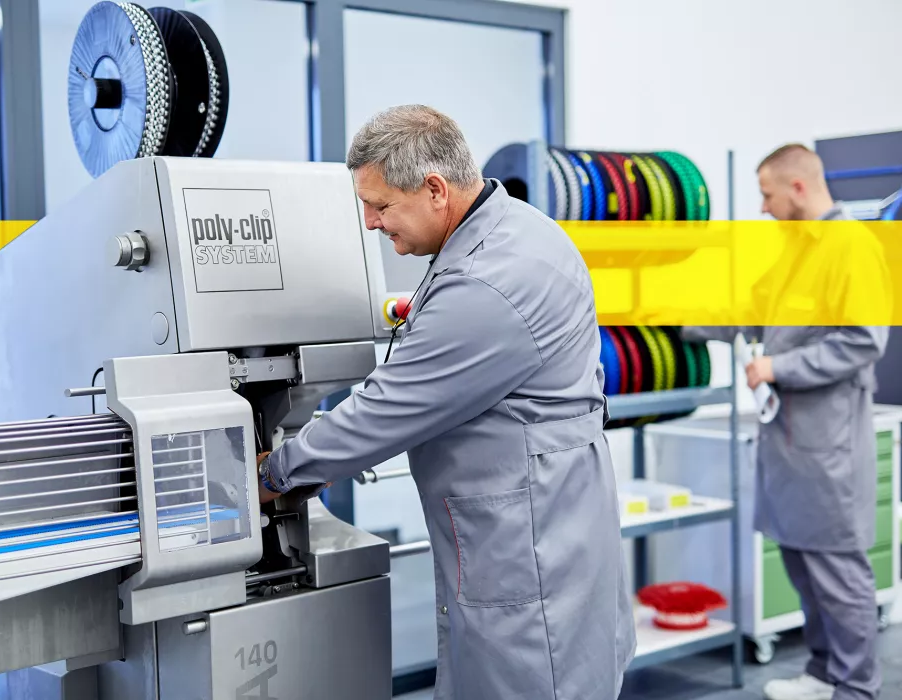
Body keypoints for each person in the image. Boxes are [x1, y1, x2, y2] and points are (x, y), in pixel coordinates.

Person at [256, 104, 636, 699]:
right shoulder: (508, 229)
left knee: (532, 679)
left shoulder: (489, 283)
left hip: (526, 537)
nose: (370, 223)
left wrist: (276, 473)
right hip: (539, 511)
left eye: (380, 206)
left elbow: (388, 409)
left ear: (435, 189)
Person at [683, 144, 890, 700]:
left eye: (768, 194)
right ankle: (824, 672)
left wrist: (780, 365)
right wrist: (672, 319)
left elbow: (864, 340)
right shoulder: (797, 250)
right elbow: (752, 312)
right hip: (790, 444)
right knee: (802, 564)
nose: (764, 207)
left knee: (838, 575)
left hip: (830, 446)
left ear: (798, 189)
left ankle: (857, 688)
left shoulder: (850, 248)